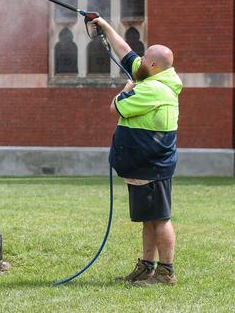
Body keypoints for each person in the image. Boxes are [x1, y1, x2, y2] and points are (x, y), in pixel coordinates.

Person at [90, 17, 182, 286]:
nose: (138, 61)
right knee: (148, 220)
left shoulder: (153, 89)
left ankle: (166, 272)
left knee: (160, 220)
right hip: (144, 165)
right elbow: (125, 52)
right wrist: (104, 26)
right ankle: (146, 267)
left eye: (143, 59)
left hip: (151, 166)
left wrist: (127, 87)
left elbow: (115, 107)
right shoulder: (153, 75)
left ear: (152, 65)